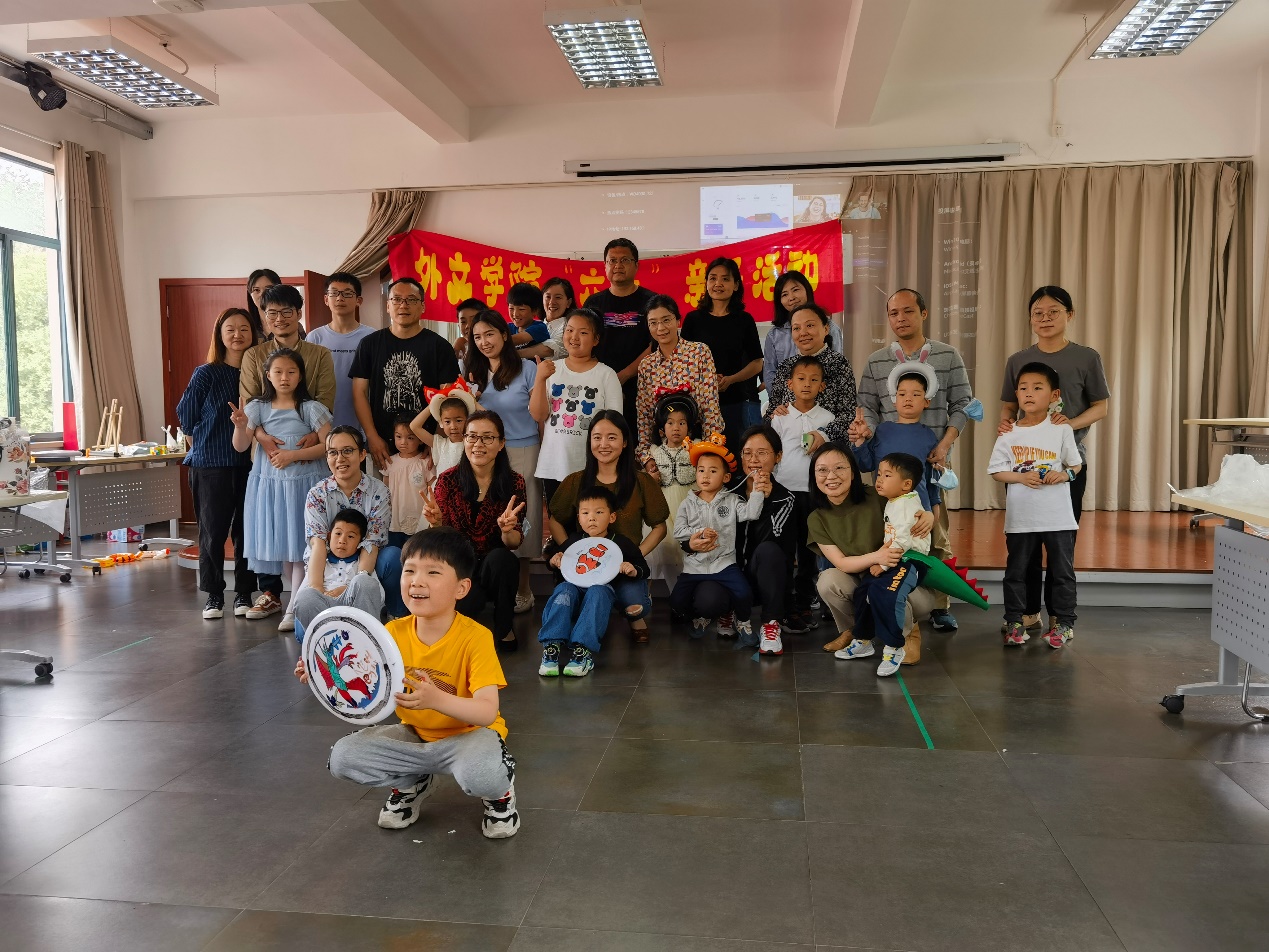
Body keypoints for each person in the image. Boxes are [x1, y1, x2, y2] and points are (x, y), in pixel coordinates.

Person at [314, 527, 519, 840]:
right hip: (414, 736)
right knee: (343, 758)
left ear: (461, 588)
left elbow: (487, 712)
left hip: (469, 738)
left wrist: (436, 699)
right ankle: (412, 781)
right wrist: (321, 672)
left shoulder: (476, 637)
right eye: (409, 570)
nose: (417, 581)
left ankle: (500, 795)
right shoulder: (391, 634)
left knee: (482, 773)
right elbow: (360, 680)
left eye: (433, 572)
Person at [852, 288, 974, 634]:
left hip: (930, 465)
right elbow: (867, 406)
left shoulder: (948, 356)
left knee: (934, 533)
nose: (900, 318)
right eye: (893, 313)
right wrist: (869, 437)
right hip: (887, 470)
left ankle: (938, 605)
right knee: (888, 534)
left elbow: (963, 403)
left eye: (908, 311)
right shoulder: (877, 361)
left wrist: (944, 444)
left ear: (923, 313)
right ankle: (884, 596)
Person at [998, 286, 1109, 640]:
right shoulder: (1018, 360)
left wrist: (1065, 426)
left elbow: (1101, 406)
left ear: (1069, 315)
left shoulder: (1086, 357)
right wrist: (1006, 426)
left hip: (1067, 466)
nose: (1045, 318)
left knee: (1061, 545)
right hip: (1024, 467)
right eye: (1038, 313)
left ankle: (1061, 619)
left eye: (1053, 311)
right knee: (1025, 543)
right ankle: (1027, 614)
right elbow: (1008, 407)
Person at [238, 284, 338, 620]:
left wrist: (309, 435)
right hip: (269, 459)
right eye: (272, 313)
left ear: (298, 313)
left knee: (303, 533)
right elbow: (252, 403)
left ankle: (301, 601)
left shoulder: (318, 354)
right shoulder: (254, 355)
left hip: (307, 453)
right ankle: (274, 596)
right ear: (264, 316)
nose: (279, 319)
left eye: (286, 312)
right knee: (277, 529)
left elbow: (324, 400)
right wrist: (263, 437)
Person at [548, 410, 668, 644]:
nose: (603, 444)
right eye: (597, 437)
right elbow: (555, 519)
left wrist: (635, 556)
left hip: (624, 569)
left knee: (635, 606)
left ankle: (633, 614)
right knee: (573, 601)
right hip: (586, 567)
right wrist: (569, 552)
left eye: (612, 437)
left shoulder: (641, 481)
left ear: (625, 442)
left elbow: (659, 526)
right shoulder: (575, 481)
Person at [807, 442, 935, 659]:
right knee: (827, 581)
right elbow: (842, 563)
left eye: (839, 468)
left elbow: (908, 502)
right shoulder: (816, 518)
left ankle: (908, 634)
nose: (831, 476)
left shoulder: (878, 496)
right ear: (814, 476)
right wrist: (877, 557)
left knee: (887, 589)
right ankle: (856, 632)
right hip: (864, 580)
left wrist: (928, 515)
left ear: (853, 472)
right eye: (822, 470)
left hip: (902, 578)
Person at [990, 362, 1083, 649]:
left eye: (1037, 388)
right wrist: (1020, 477)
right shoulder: (1008, 432)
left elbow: (1076, 465)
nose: (1028, 393)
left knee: (1062, 572)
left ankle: (1064, 623)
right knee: (1016, 572)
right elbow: (996, 470)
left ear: (1054, 395)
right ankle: (1015, 622)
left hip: (1057, 517)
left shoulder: (1061, 428)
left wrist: (1064, 475)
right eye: (1023, 388)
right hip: (1021, 518)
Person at [177, 307, 259, 620]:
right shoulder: (206, 373)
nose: (238, 335)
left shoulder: (259, 374)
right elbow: (187, 417)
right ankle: (214, 595)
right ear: (220, 335)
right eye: (230, 329)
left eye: (244, 329)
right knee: (212, 532)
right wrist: (203, 449)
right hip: (210, 466)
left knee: (246, 532)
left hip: (250, 464)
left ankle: (244, 593)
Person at [421, 411, 527, 652]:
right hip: (460, 565)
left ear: (501, 443)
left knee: (504, 559)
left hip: (494, 566)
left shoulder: (514, 482)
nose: (478, 444)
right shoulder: (448, 480)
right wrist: (436, 523)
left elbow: (514, 542)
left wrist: (507, 530)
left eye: (488, 437)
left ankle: (505, 628)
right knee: (467, 607)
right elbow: (441, 541)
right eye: (472, 437)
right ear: (464, 440)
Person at [463, 309, 542, 615]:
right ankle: (489, 587)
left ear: (505, 335)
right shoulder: (470, 370)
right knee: (487, 515)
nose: (484, 342)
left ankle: (523, 589)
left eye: (490, 334)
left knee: (522, 517)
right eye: (477, 337)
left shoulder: (527, 368)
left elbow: (540, 415)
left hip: (522, 449)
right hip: (482, 453)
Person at [834, 453, 933, 676]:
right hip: (892, 557)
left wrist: (884, 564)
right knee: (864, 591)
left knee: (886, 593)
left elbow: (903, 539)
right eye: (879, 474)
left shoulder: (905, 505)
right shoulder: (896, 500)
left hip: (908, 560)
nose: (879, 479)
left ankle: (894, 647)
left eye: (887, 475)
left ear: (906, 484)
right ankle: (863, 640)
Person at [538, 487, 650, 678]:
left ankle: (583, 651)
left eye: (598, 512)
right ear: (579, 518)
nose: (591, 518)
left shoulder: (620, 543)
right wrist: (554, 561)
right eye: (585, 513)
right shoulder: (574, 541)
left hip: (603, 590)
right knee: (564, 589)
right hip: (575, 588)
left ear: (612, 517)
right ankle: (551, 647)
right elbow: (555, 562)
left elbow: (643, 568)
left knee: (598, 591)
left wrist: (632, 569)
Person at [352, 276, 460, 471]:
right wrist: (372, 436)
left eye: (411, 299)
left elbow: (448, 397)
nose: (403, 305)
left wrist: (436, 439)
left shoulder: (440, 347)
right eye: (397, 299)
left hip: (425, 446)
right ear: (388, 306)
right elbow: (359, 393)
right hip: (382, 446)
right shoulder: (369, 345)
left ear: (422, 306)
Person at [298, 426, 398, 634]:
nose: (340, 458)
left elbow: (372, 542)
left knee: (393, 557)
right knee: (304, 621)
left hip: (363, 564)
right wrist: (317, 589)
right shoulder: (317, 494)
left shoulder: (379, 491)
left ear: (362, 454)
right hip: (326, 566)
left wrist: (353, 586)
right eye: (333, 452)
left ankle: (392, 620)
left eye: (347, 451)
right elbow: (318, 543)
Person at [670, 435, 765, 647]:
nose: (705, 476)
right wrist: (700, 533)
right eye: (701, 470)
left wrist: (757, 490)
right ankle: (701, 617)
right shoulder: (687, 503)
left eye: (713, 471)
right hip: (694, 566)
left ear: (726, 477)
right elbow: (679, 532)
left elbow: (751, 513)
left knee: (744, 593)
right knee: (676, 602)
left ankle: (743, 621)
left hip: (724, 563)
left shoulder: (732, 500)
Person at [530, 308, 623, 502]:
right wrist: (540, 378)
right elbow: (538, 415)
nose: (574, 337)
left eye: (583, 332)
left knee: (590, 517)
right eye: (569, 330)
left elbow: (615, 424)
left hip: (591, 466)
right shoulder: (551, 369)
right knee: (557, 517)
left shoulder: (606, 375)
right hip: (553, 464)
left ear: (596, 339)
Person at [769, 355, 835, 631]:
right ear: (790, 384)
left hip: (815, 495)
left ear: (822, 386)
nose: (807, 384)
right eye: (801, 379)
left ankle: (805, 603)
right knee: (784, 551)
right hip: (784, 493)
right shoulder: (780, 417)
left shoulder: (828, 418)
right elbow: (772, 453)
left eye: (814, 379)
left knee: (810, 553)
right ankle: (785, 607)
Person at [681, 257, 763, 451]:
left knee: (731, 456)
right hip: (698, 403)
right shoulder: (693, 319)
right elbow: (682, 361)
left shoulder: (744, 320)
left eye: (725, 279)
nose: (718, 284)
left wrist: (731, 379)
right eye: (713, 278)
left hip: (733, 402)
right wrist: (706, 381)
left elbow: (757, 363)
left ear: (736, 285)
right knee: (699, 457)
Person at [633, 295, 724, 465]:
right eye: (653, 323)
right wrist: (646, 457)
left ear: (678, 321)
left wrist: (708, 453)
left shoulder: (699, 353)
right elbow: (644, 416)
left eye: (666, 320)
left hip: (697, 445)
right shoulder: (646, 365)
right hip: (662, 451)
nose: (660, 328)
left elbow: (710, 407)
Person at [736, 424, 801, 652]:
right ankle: (728, 612)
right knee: (709, 600)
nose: (753, 460)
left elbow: (776, 542)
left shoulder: (785, 499)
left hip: (763, 578)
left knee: (769, 551)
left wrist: (765, 500)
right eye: (747, 453)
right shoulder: (728, 491)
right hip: (729, 574)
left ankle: (770, 624)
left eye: (762, 453)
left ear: (778, 457)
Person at [585, 238, 657, 428]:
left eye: (625, 260)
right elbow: (585, 343)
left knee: (639, 438)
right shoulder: (593, 303)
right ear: (605, 265)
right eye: (612, 260)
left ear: (636, 265)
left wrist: (625, 374)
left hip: (643, 387)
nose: (618, 265)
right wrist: (607, 377)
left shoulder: (652, 301)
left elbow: (657, 344)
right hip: (600, 384)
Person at [765, 303, 857, 451]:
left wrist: (824, 435)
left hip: (828, 450)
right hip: (789, 451)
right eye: (796, 328)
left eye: (810, 325)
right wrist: (775, 414)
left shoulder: (839, 364)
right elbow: (770, 413)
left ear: (826, 329)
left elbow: (849, 414)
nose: (803, 333)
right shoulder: (785, 367)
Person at [852, 363, 943, 512]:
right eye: (902, 394)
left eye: (915, 394)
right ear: (894, 401)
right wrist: (860, 440)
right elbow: (865, 465)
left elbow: (932, 476)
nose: (908, 399)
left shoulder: (929, 436)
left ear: (926, 401)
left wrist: (934, 507)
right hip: (882, 508)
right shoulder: (882, 430)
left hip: (917, 509)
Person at [290, 508, 385, 630]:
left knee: (364, 580)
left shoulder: (361, 563)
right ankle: (324, 638)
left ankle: (366, 634)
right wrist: (322, 594)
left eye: (350, 536)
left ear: (360, 542)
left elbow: (379, 595)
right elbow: (301, 598)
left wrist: (349, 590)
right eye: (338, 534)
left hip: (355, 612)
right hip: (325, 610)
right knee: (305, 596)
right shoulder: (321, 562)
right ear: (329, 536)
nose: (342, 541)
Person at [643, 391, 701, 590]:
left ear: (689, 428)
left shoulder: (696, 448)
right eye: (670, 423)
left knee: (688, 547)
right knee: (666, 548)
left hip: (689, 502)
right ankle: (672, 590)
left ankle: (689, 589)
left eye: (682, 423)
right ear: (662, 429)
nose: (676, 428)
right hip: (664, 505)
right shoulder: (654, 452)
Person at [306, 272, 375, 431]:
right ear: (326, 299)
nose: (339, 298)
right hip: (324, 420)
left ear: (358, 301)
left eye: (347, 293)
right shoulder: (315, 337)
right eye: (334, 293)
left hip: (363, 420)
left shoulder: (371, 336)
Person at [763, 270, 844, 394]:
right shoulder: (774, 335)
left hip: (823, 399)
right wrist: (788, 400)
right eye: (784, 294)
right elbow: (770, 373)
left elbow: (836, 369)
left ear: (807, 290)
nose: (791, 298)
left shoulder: (829, 327)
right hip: (786, 402)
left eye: (795, 290)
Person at [382, 416, 432, 547]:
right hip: (394, 522)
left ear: (420, 439)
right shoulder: (389, 463)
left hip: (419, 522)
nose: (403, 442)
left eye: (410, 438)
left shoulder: (425, 463)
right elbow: (384, 490)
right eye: (399, 437)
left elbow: (432, 491)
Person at [410, 384, 476, 481]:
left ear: (468, 420)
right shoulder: (439, 444)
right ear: (441, 422)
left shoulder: (474, 442)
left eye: (458, 420)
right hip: (442, 490)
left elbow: (493, 425)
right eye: (447, 422)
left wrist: (473, 402)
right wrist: (433, 403)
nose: (453, 426)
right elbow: (414, 426)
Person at [505, 282, 551, 349]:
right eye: (511, 308)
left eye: (521, 309)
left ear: (535, 311)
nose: (515, 314)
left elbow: (517, 339)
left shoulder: (540, 328)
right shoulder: (509, 327)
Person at [246, 268, 279, 339]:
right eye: (256, 290)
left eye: (268, 289)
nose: (262, 294)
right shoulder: (246, 326)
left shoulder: (290, 324)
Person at [452, 296, 484, 371]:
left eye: (473, 320)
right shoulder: (461, 349)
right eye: (463, 322)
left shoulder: (490, 349)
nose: (468, 326)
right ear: (458, 325)